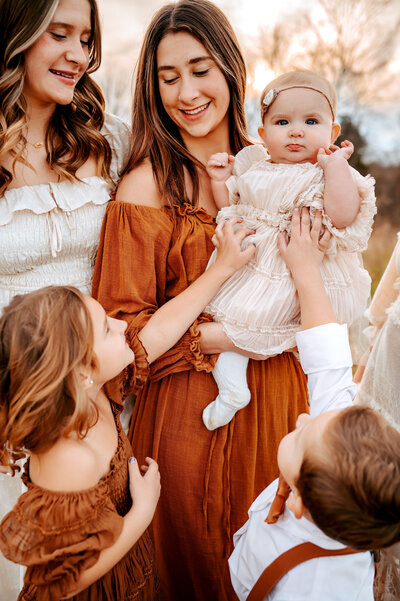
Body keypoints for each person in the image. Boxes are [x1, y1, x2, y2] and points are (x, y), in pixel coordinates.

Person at [91, 2, 310, 599]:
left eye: (200, 69)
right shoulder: (145, 186)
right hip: (192, 413)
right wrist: (235, 335)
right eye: (168, 77)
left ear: (231, 69)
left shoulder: (276, 160)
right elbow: (121, 337)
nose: (186, 92)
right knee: (204, 570)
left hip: (289, 404)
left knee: (288, 571)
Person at [0, 217, 254, 601]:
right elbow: (61, 584)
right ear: (82, 373)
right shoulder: (68, 457)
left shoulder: (100, 391)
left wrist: (222, 269)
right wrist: (142, 512)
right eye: (105, 328)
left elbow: (159, 332)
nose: (122, 327)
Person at [0, 0, 129, 595]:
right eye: (59, 35)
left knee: (102, 565)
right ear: (18, 36)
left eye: (86, 39)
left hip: (99, 392)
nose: (79, 56)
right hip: (12, 399)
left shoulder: (106, 144)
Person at [228, 207, 400, 601]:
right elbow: (328, 360)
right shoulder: (332, 457)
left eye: (301, 435)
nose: (304, 419)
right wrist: (306, 270)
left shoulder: (319, 589)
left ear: (302, 502)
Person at [202, 69, 376, 430]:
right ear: (264, 135)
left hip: (292, 271)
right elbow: (233, 206)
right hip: (251, 266)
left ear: (332, 132)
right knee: (228, 319)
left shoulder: (326, 171)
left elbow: (343, 216)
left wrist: (336, 167)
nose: (296, 131)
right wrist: (221, 182)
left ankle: (265, 386)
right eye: (282, 122)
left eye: (310, 121)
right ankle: (232, 388)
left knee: (253, 325)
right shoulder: (255, 167)